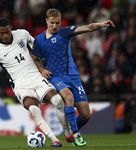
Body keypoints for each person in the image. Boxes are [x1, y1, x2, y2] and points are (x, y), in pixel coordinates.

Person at [0, 17, 74, 147]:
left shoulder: (22, 34)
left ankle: (67, 132)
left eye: (7, 32)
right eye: (2, 33)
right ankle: (55, 140)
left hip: (36, 76)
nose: (6, 35)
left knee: (57, 100)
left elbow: (37, 47)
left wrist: (45, 60)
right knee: (34, 109)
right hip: (20, 84)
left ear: (11, 28)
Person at [31, 8, 115, 147]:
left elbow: (87, 28)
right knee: (68, 97)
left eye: (57, 23)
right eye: (52, 23)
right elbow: (32, 58)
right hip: (55, 77)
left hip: (73, 76)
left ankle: (69, 131)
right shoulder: (39, 40)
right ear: (46, 20)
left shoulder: (64, 32)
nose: (55, 26)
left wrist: (100, 25)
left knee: (86, 115)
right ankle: (76, 136)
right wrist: (42, 70)